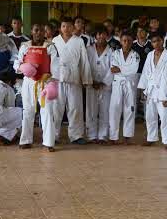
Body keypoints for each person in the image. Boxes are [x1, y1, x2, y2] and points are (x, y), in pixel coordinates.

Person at [14, 23, 57, 151]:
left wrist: (53, 82)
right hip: (29, 82)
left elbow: (56, 65)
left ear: (45, 33)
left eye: (42, 30)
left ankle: (48, 143)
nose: (39, 33)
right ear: (31, 32)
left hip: (45, 81)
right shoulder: (25, 46)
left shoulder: (50, 47)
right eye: (36, 30)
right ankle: (25, 140)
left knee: (47, 111)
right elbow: (17, 63)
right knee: (27, 110)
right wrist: (22, 67)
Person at [51, 17, 93, 145]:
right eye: (64, 26)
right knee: (56, 108)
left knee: (75, 107)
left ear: (73, 28)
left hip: (74, 78)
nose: (66, 29)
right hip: (57, 77)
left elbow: (84, 60)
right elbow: (50, 59)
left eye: (69, 26)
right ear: (60, 28)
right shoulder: (55, 40)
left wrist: (86, 78)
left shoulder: (79, 41)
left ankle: (76, 135)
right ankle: (53, 135)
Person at [139, 32, 167, 147]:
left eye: (158, 40)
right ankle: (151, 138)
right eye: (154, 42)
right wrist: (143, 89)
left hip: (163, 90)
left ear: (162, 40)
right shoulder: (150, 55)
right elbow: (145, 72)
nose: (156, 43)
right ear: (151, 43)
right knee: (150, 116)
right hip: (151, 89)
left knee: (164, 116)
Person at [109, 31, 141, 145]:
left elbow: (134, 69)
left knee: (130, 109)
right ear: (121, 41)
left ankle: (127, 136)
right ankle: (113, 136)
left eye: (129, 41)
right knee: (114, 109)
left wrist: (120, 68)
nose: (126, 43)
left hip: (130, 84)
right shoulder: (115, 53)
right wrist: (126, 68)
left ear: (132, 42)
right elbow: (113, 69)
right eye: (124, 40)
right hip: (117, 84)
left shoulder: (135, 55)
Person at [85, 26, 115, 144]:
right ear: (95, 36)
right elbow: (85, 66)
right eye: (98, 34)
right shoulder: (88, 50)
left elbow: (113, 68)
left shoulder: (111, 51)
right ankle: (91, 135)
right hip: (91, 84)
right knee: (91, 111)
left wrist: (103, 82)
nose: (101, 36)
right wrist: (90, 80)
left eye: (103, 34)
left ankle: (103, 135)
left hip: (105, 86)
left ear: (107, 36)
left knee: (105, 110)